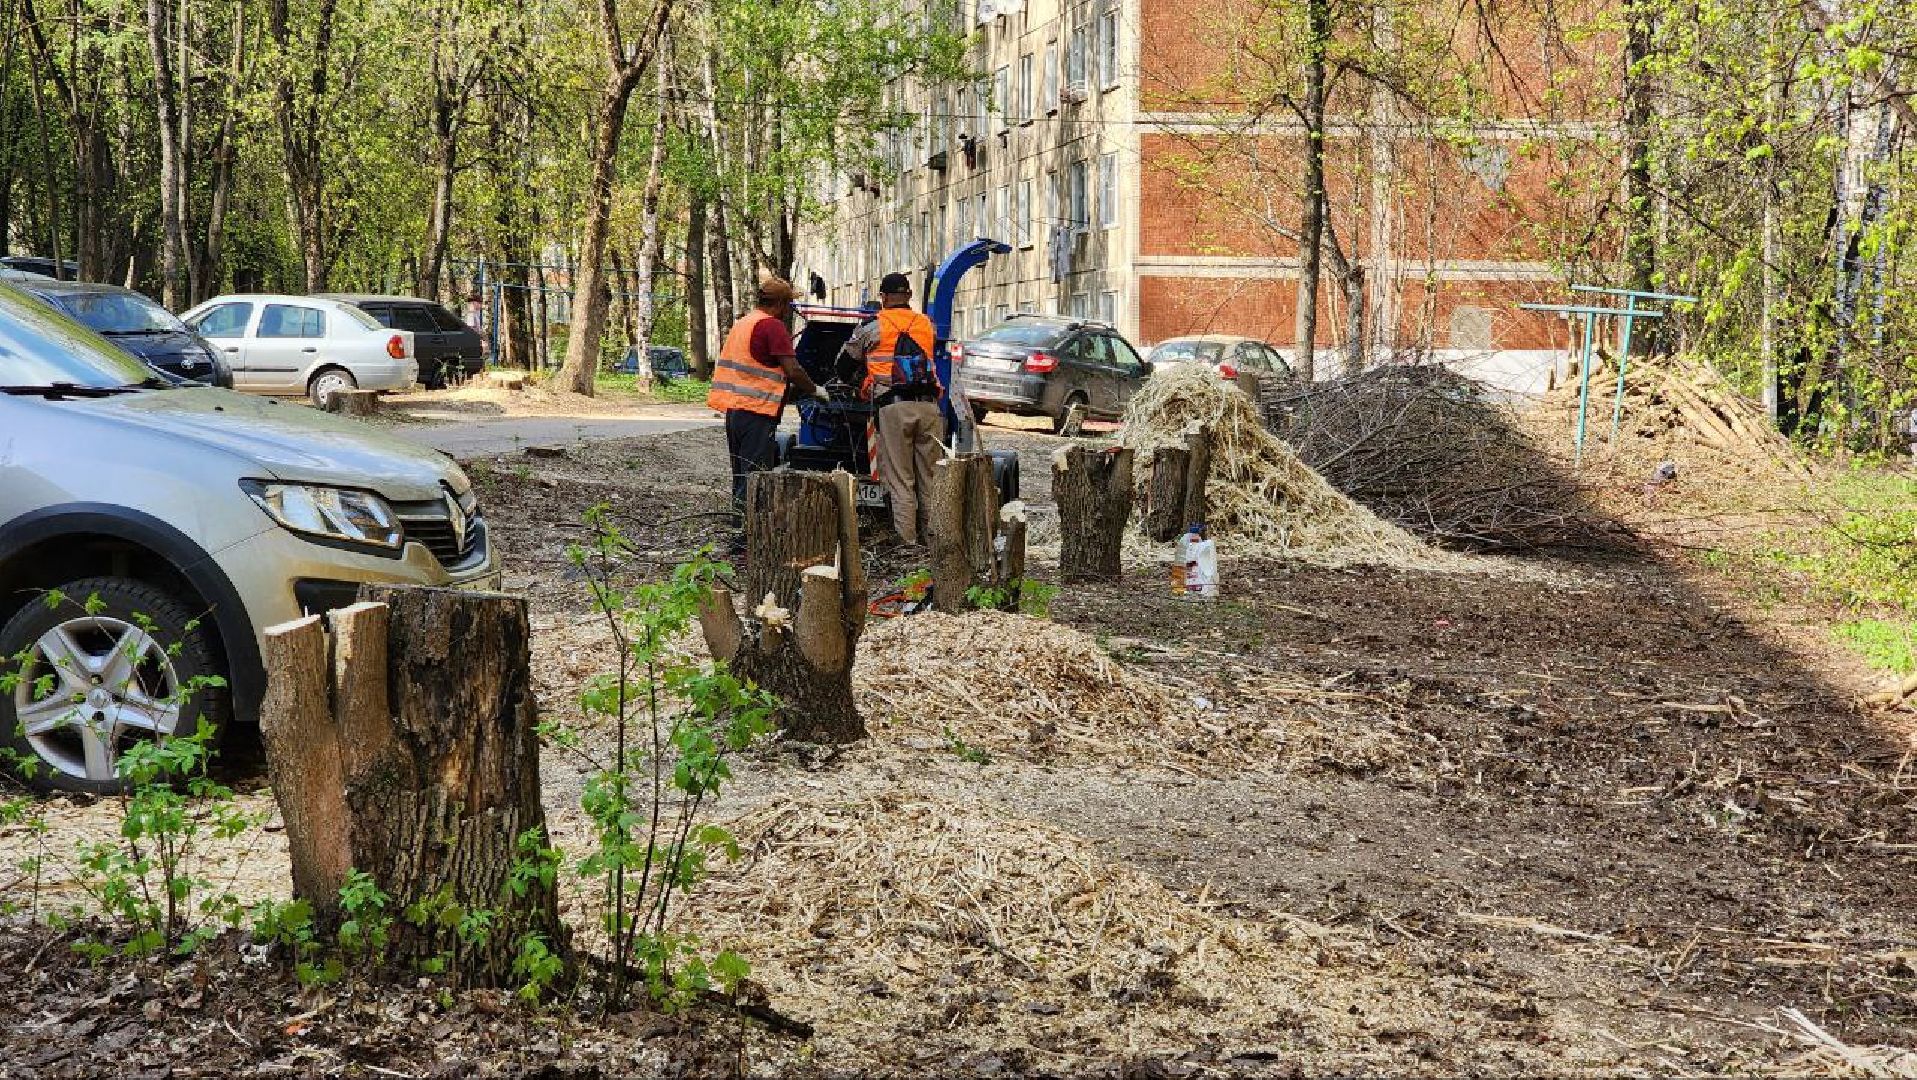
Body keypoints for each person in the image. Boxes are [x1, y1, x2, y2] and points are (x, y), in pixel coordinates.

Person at [707, 276, 824, 516]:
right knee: (755, 478)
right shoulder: (772, 326)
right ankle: (746, 538)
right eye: (788, 305)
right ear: (780, 303)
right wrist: (815, 390)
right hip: (757, 412)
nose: (788, 311)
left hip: (736, 412)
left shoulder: (744, 323)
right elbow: (793, 369)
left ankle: (739, 530)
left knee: (741, 475)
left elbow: (758, 369)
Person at [843, 272, 942, 545]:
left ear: (883, 298)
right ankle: (933, 543)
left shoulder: (873, 326)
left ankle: (907, 543)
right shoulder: (927, 325)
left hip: (894, 408)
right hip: (929, 408)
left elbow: (845, 365)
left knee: (900, 479)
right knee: (930, 478)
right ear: (909, 295)